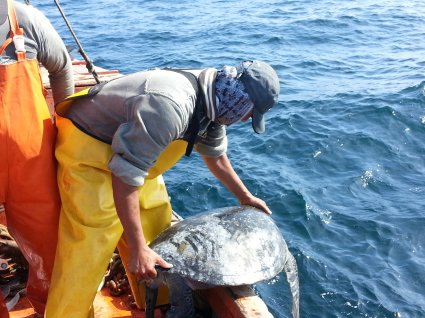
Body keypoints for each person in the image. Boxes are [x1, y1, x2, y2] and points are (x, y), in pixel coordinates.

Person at [45, 59, 279, 317]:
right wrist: (137, 248)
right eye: (250, 114)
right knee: (89, 247)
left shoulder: (217, 100)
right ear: (240, 101)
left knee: (158, 223)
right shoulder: (170, 106)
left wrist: (245, 196)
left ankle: (158, 302)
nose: (246, 119)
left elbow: (216, 156)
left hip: (134, 156)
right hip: (89, 152)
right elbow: (125, 177)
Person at [0, 0, 74, 316]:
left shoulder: (24, 19)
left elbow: (62, 67)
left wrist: (67, 127)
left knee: (49, 245)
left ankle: (50, 309)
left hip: (30, 162)